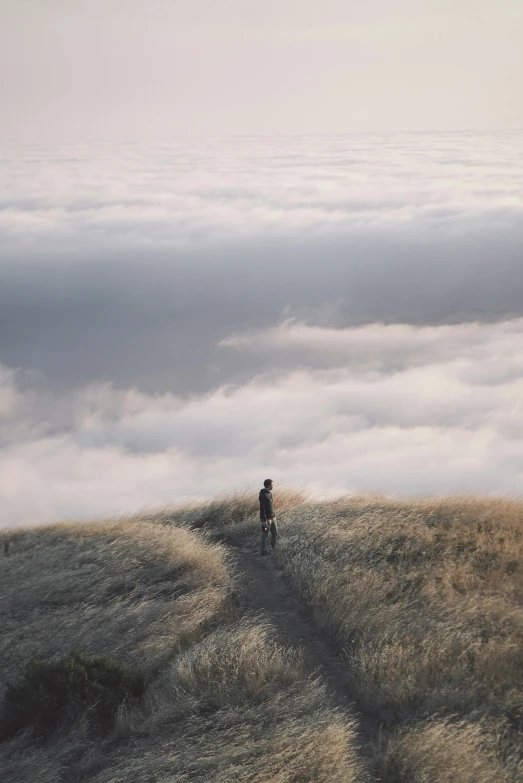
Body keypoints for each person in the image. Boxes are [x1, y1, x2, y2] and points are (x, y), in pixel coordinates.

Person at [259, 478, 277, 555]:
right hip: (266, 520)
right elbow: (262, 508)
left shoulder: (270, 493)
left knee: (275, 533)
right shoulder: (263, 495)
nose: (273, 485)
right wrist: (264, 521)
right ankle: (262, 551)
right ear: (269, 485)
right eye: (272, 484)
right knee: (264, 535)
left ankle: (273, 549)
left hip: (273, 518)